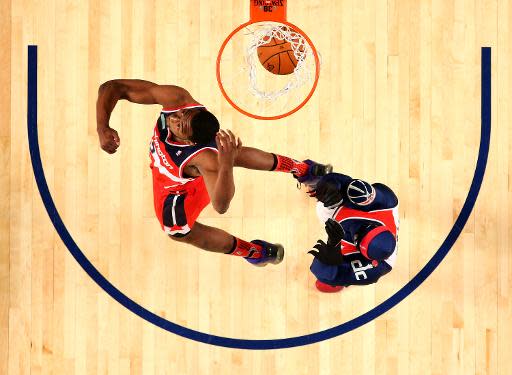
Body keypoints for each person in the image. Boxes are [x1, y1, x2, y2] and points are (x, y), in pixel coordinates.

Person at [96, 79, 331, 266]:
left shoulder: (205, 159)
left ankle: (252, 251)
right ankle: (304, 170)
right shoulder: (177, 99)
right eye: (180, 115)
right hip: (201, 167)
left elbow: (221, 205)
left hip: (180, 191)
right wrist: (102, 126)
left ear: (188, 142)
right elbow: (113, 87)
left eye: (180, 124)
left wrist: (226, 164)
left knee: (179, 232)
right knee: (231, 152)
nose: (175, 117)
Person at [306, 173, 399, 292]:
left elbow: (319, 271)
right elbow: (350, 184)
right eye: (365, 227)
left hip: (352, 250)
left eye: (358, 235)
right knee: (351, 191)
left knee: (329, 277)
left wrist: (332, 248)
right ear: (377, 226)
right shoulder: (387, 204)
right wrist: (335, 185)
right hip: (351, 214)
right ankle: (314, 175)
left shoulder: (377, 269)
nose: (357, 228)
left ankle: (343, 280)